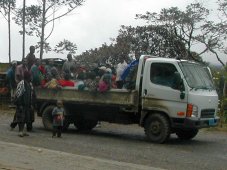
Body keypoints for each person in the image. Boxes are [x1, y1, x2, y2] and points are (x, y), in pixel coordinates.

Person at [14, 70, 33, 137]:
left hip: (27, 104)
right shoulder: (21, 84)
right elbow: (18, 95)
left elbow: (30, 95)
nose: (31, 77)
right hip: (21, 104)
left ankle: (23, 131)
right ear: (28, 77)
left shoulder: (29, 84)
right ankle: (20, 131)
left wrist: (30, 104)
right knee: (21, 118)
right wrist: (19, 104)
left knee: (25, 118)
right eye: (30, 76)